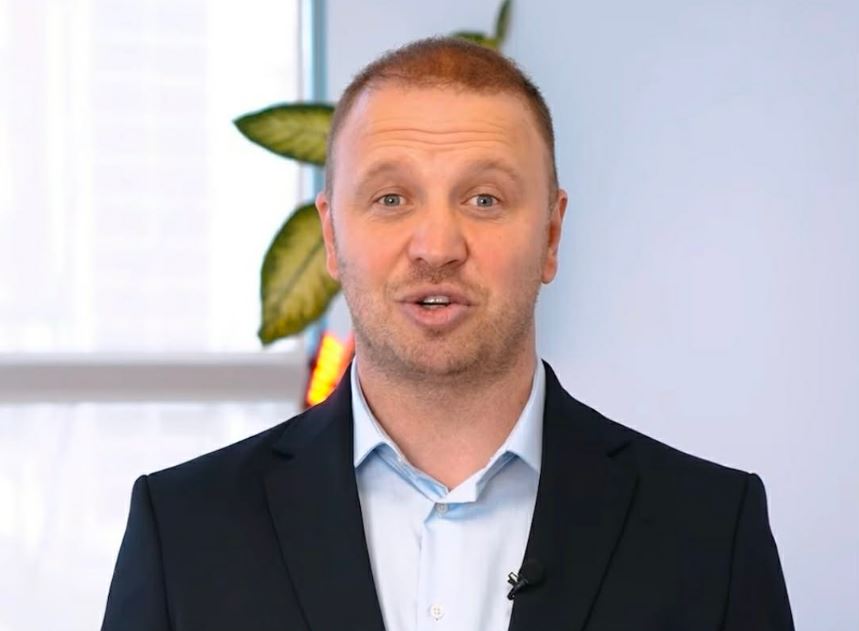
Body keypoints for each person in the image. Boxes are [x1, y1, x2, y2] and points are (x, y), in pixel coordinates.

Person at [101, 37, 795, 631]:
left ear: (551, 235)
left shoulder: (711, 531)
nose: (436, 246)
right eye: (391, 198)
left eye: (484, 199)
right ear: (332, 238)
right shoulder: (182, 530)